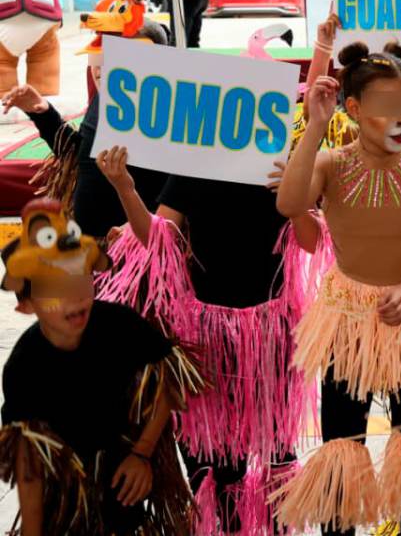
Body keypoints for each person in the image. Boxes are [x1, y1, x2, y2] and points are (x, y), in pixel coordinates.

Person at [275, 42, 401, 536]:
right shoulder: (331, 163)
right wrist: (315, 125)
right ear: (355, 109)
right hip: (347, 318)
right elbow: (290, 203)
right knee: (343, 441)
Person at [95, 135, 323, 534]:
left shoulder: (282, 166)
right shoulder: (194, 166)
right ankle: (230, 527)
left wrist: (295, 198)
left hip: (271, 331)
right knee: (224, 459)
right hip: (211, 334)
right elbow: (158, 240)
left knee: (278, 452)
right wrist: (124, 188)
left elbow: (312, 242)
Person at [0, 198, 204, 535]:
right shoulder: (24, 367)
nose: (74, 298)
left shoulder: (119, 325)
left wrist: (143, 453)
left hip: (123, 475)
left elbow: (171, 375)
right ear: (26, 305)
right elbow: (29, 467)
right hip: (63, 495)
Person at [1, 0, 170, 238]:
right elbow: (80, 159)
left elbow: (178, 197)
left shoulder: (169, 117)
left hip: (137, 250)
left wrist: (138, 225)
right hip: (90, 247)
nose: (100, 68)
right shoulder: (102, 102)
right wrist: (42, 113)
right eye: (98, 56)